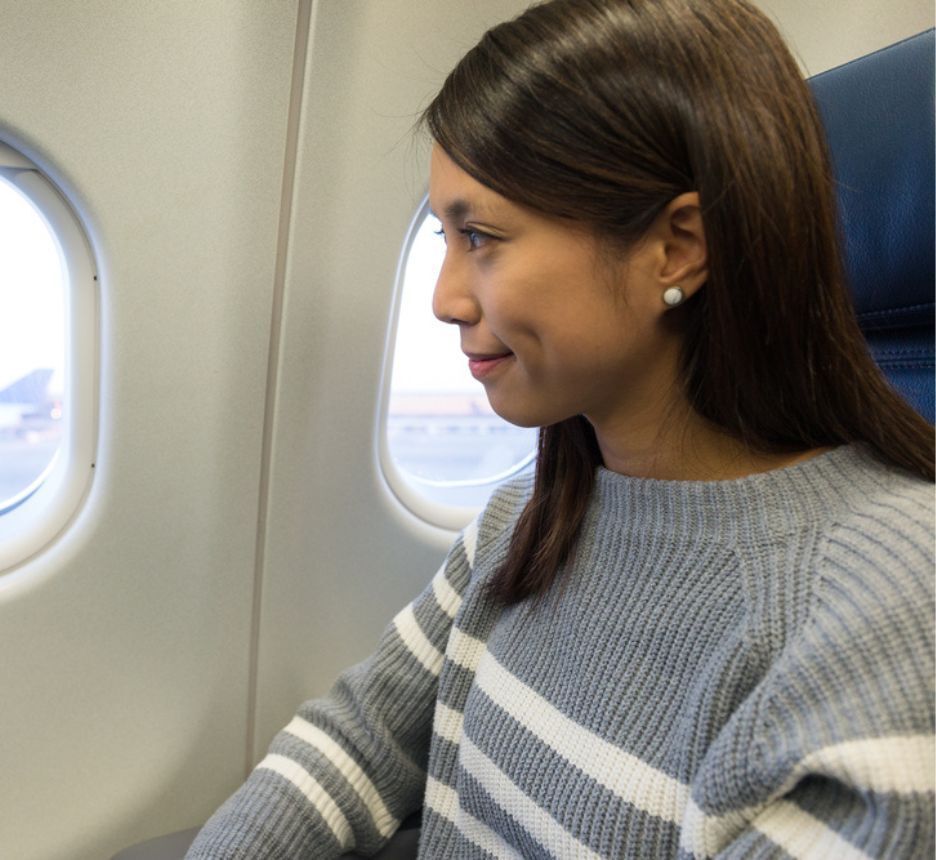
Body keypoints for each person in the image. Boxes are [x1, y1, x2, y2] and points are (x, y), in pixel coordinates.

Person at [187, 0, 935, 857]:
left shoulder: (884, 607)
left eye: (481, 237)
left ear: (676, 248)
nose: (444, 298)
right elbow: (357, 741)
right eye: (443, 236)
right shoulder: (528, 517)